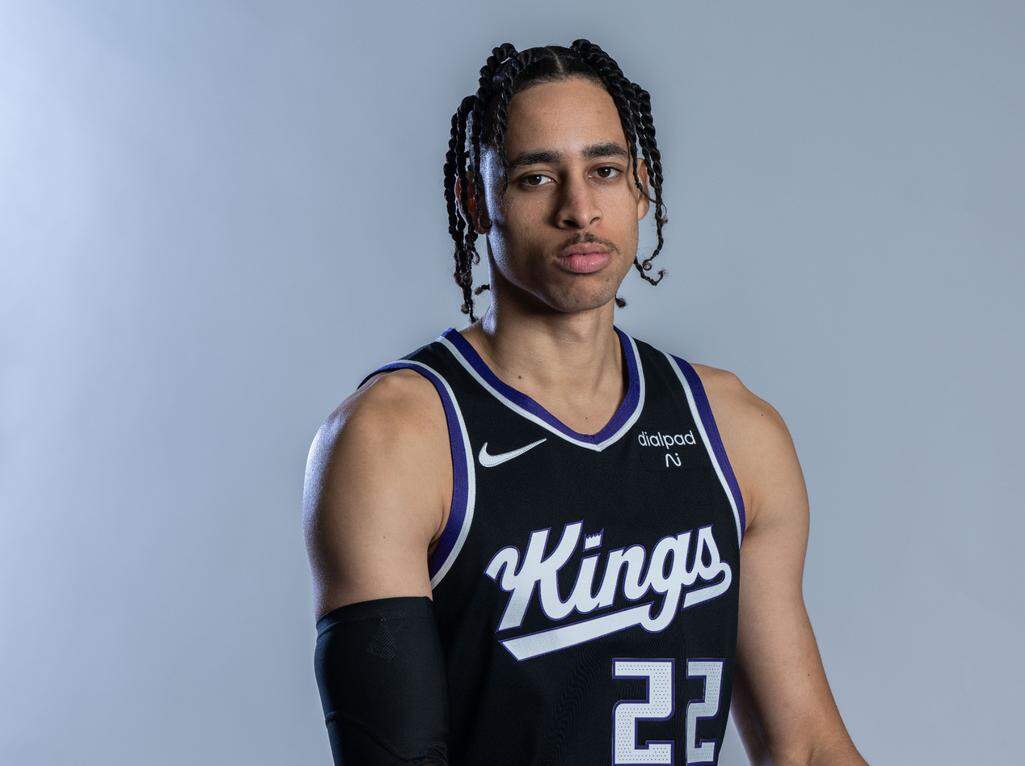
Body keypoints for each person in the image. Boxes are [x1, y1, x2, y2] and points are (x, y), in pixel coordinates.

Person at [303, 39, 869, 766]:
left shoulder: (734, 430)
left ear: (640, 188)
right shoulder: (394, 438)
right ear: (475, 201)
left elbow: (808, 746)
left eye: (603, 171)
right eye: (536, 178)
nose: (579, 209)